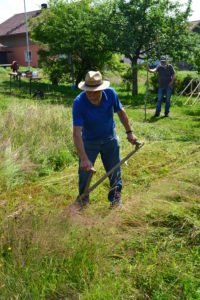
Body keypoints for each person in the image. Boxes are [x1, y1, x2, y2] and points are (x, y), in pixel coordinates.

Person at [72, 70, 137, 208]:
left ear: (102, 89)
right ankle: (83, 201)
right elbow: (77, 132)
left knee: (114, 170)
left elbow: (121, 112)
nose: (92, 95)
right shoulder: (79, 102)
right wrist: (83, 158)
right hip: (89, 141)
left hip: (110, 139)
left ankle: (116, 199)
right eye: (89, 91)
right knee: (84, 172)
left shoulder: (111, 94)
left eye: (96, 91)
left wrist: (129, 132)